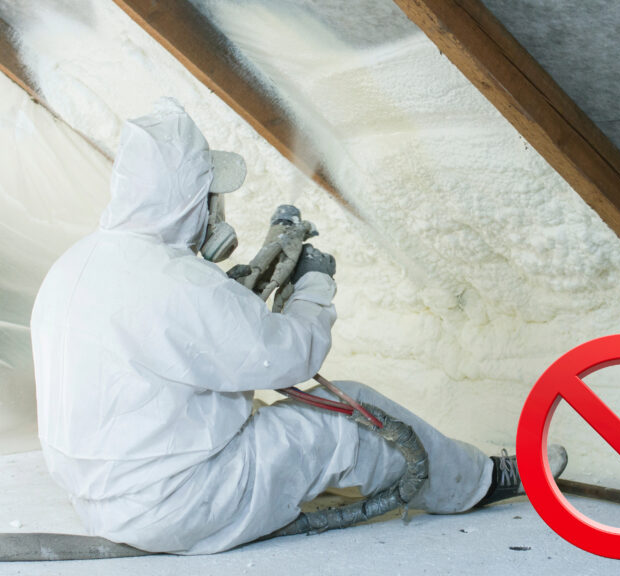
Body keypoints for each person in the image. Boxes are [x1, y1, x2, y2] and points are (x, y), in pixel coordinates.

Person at [30, 98, 567, 555]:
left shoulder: (77, 265)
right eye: (209, 194)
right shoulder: (179, 284)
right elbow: (290, 357)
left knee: (270, 419)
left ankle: (471, 475)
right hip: (180, 504)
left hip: (100, 499)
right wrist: (314, 287)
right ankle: (479, 483)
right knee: (352, 413)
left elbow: (168, 346)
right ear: (189, 197)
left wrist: (233, 294)